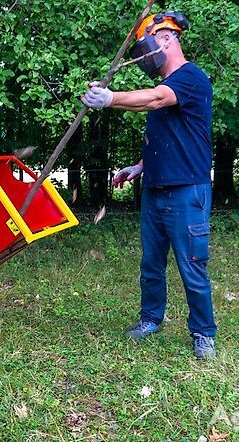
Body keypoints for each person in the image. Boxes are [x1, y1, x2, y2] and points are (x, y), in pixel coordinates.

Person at [81, 11, 216, 359]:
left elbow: (155, 99)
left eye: (146, 48)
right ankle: (150, 319)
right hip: (155, 190)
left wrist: (110, 99)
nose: (143, 57)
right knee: (151, 264)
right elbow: (171, 138)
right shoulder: (165, 85)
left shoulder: (190, 79)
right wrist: (139, 167)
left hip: (188, 192)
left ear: (167, 39)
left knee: (192, 266)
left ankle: (203, 333)